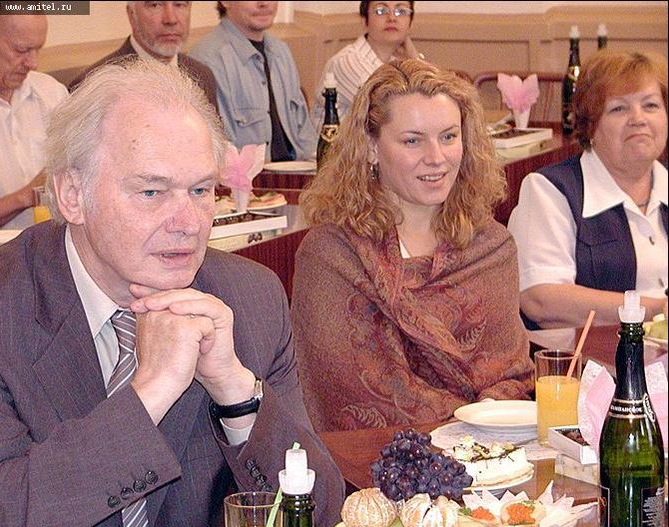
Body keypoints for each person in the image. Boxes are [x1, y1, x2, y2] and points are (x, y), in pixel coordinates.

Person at [0, 59, 344, 527]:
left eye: (200, 191)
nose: (188, 223)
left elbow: (321, 522)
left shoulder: (249, 298)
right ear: (72, 195)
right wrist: (149, 395)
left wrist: (236, 392)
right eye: (151, 192)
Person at [291, 59, 534, 432]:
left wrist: (483, 427)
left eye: (449, 137)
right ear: (371, 147)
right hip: (378, 459)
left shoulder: (491, 246)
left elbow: (512, 375)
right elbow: (352, 394)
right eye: (412, 141)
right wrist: (466, 425)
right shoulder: (331, 255)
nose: (436, 158)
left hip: (495, 449)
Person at [508, 50, 667, 329]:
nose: (638, 118)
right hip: (595, 356)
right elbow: (541, 299)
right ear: (590, 126)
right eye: (619, 109)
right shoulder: (550, 190)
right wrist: (657, 311)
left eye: (651, 105)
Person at [0, 14, 68, 229]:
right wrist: (29, 195)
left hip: (56, 241)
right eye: (22, 50)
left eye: (38, 49)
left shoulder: (53, 93)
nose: (33, 64)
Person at [189, 1, 316, 162]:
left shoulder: (281, 51)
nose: (264, 3)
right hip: (251, 175)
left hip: (299, 171)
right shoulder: (209, 59)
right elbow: (223, 151)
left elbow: (306, 135)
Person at [68, 1, 217, 112]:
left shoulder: (203, 75)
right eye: (155, 5)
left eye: (179, 4)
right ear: (132, 15)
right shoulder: (94, 85)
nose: (171, 19)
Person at [312, 1, 421, 129]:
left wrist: (414, 59)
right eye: (381, 11)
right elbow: (393, 112)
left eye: (401, 11)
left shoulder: (399, 61)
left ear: (411, 24)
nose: (392, 18)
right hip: (331, 141)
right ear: (364, 22)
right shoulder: (347, 61)